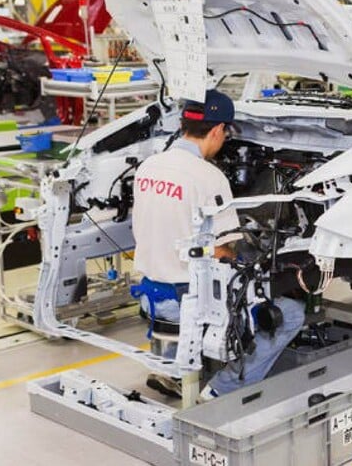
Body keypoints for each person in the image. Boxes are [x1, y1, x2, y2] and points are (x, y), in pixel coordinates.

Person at [131, 89, 305, 400]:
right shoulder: (209, 177)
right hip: (190, 304)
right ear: (216, 130)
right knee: (290, 313)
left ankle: (172, 368)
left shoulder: (148, 167)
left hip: (150, 296)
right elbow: (227, 252)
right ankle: (221, 390)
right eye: (225, 133)